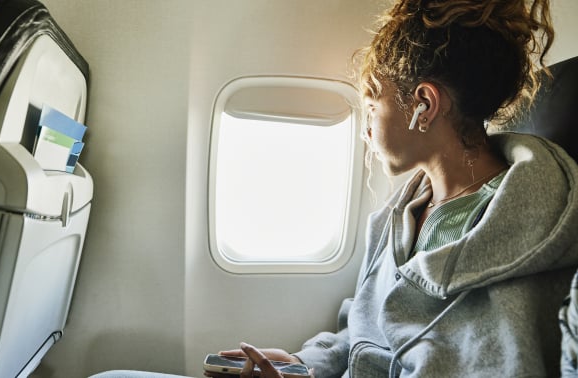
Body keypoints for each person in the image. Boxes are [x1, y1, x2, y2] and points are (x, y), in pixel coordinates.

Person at [93, 0, 578, 377]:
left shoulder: (518, 229)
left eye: (373, 103)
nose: (367, 128)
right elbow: (361, 333)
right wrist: (303, 365)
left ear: (423, 105)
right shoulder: (402, 211)